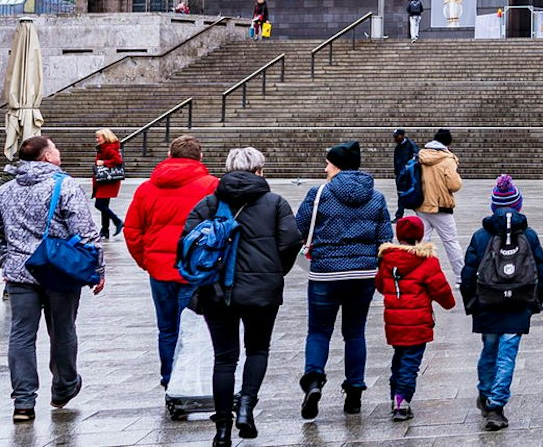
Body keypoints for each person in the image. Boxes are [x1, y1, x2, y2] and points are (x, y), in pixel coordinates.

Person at [187, 146, 301, 445]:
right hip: (262, 290)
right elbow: (291, 242)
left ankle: (222, 430)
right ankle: (247, 404)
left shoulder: (208, 203)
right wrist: (275, 272)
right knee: (258, 350)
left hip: (215, 290)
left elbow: (187, 244)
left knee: (224, 359)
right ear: (259, 170)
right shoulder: (275, 203)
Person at [2, 135, 104, 423]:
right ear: (47, 157)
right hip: (60, 269)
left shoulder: (6, 190)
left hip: (21, 272)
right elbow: (85, 232)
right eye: (55, 148)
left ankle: (23, 402)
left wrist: (7, 258)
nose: (58, 152)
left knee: (21, 334)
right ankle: (64, 386)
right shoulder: (65, 184)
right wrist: (98, 269)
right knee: (62, 330)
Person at [296, 140, 393, 420]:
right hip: (362, 274)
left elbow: (298, 227)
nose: (325, 167)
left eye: (328, 163)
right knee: (354, 333)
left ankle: (314, 380)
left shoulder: (318, 194)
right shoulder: (376, 197)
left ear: (336, 165)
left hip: (325, 272)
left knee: (318, 331)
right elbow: (385, 238)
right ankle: (354, 392)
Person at [123, 134, 217, 389]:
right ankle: (191, 380)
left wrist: (147, 261)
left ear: (169, 156)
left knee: (167, 329)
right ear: (199, 157)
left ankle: (169, 379)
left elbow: (132, 230)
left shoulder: (146, 188)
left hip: (160, 270)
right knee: (196, 325)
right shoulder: (211, 186)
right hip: (196, 270)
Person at [460, 177, 543, 432]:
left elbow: (468, 274)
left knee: (489, 349)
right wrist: (536, 303)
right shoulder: (529, 235)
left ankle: (485, 394)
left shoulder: (480, 235)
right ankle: (496, 406)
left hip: (487, 302)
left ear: (493, 207)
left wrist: (471, 303)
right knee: (507, 354)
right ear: (518, 206)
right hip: (518, 302)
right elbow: (540, 272)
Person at [376, 215, 455, 421]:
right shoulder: (427, 261)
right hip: (417, 324)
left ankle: (395, 397)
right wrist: (449, 303)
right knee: (410, 364)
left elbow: (380, 285)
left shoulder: (386, 259)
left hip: (394, 324)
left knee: (399, 361)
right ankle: (401, 403)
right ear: (420, 236)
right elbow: (441, 289)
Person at [414, 130, 465, 276]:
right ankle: (460, 276)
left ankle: (417, 273)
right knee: (451, 242)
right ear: (447, 143)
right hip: (441, 206)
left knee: (422, 242)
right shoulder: (447, 159)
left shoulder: (421, 156)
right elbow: (454, 185)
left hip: (421, 204)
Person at [91, 129, 125, 238]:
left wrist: (104, 163)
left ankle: (117, 221)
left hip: (107, 180)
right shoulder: (104, 148)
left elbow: (118, 160)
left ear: (105, 137)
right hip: (105, 180)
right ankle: (105, 230)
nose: (97, 139)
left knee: (99, 204)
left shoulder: (109, 148)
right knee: (104, 205)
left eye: (98, 137)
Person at [391, 129, 420, 217]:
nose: (395, 139)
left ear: (402, 135)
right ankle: (399, 215)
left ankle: (420, 214)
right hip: (400, 174)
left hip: (408, 174)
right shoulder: (398, 146)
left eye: (396, 136)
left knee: (411, 193)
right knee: (401, 194)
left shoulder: (411, 145)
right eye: (394, 137)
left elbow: (417, 157)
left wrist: (409, 168)